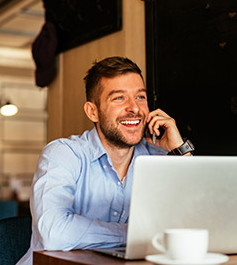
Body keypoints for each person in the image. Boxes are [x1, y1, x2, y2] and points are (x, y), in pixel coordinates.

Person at [16, 56, 193, 264]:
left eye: (140, 97)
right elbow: (55, 233)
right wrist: (136, 234)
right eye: (119, 98)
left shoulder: (159, 158)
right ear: (93, 111)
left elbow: (198, 225)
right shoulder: (62, 154)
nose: (135, 108)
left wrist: (181, 152)